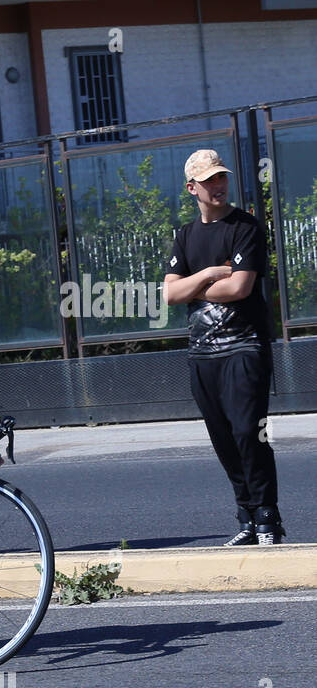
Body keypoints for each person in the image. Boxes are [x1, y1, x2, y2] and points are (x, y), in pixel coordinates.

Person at [164, 148, 283, 546]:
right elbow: (170, 295)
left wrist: (193, 285)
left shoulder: (245, 226)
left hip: (245, 346)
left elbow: (240, 287)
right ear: (191, 187)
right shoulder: (184, 235)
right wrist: (211, 272)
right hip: (202, 352)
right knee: (223, 437)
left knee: (250, 431)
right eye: (209, 180)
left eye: (221, 177)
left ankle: (268, 517)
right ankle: (246, 516)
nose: (218, 185)